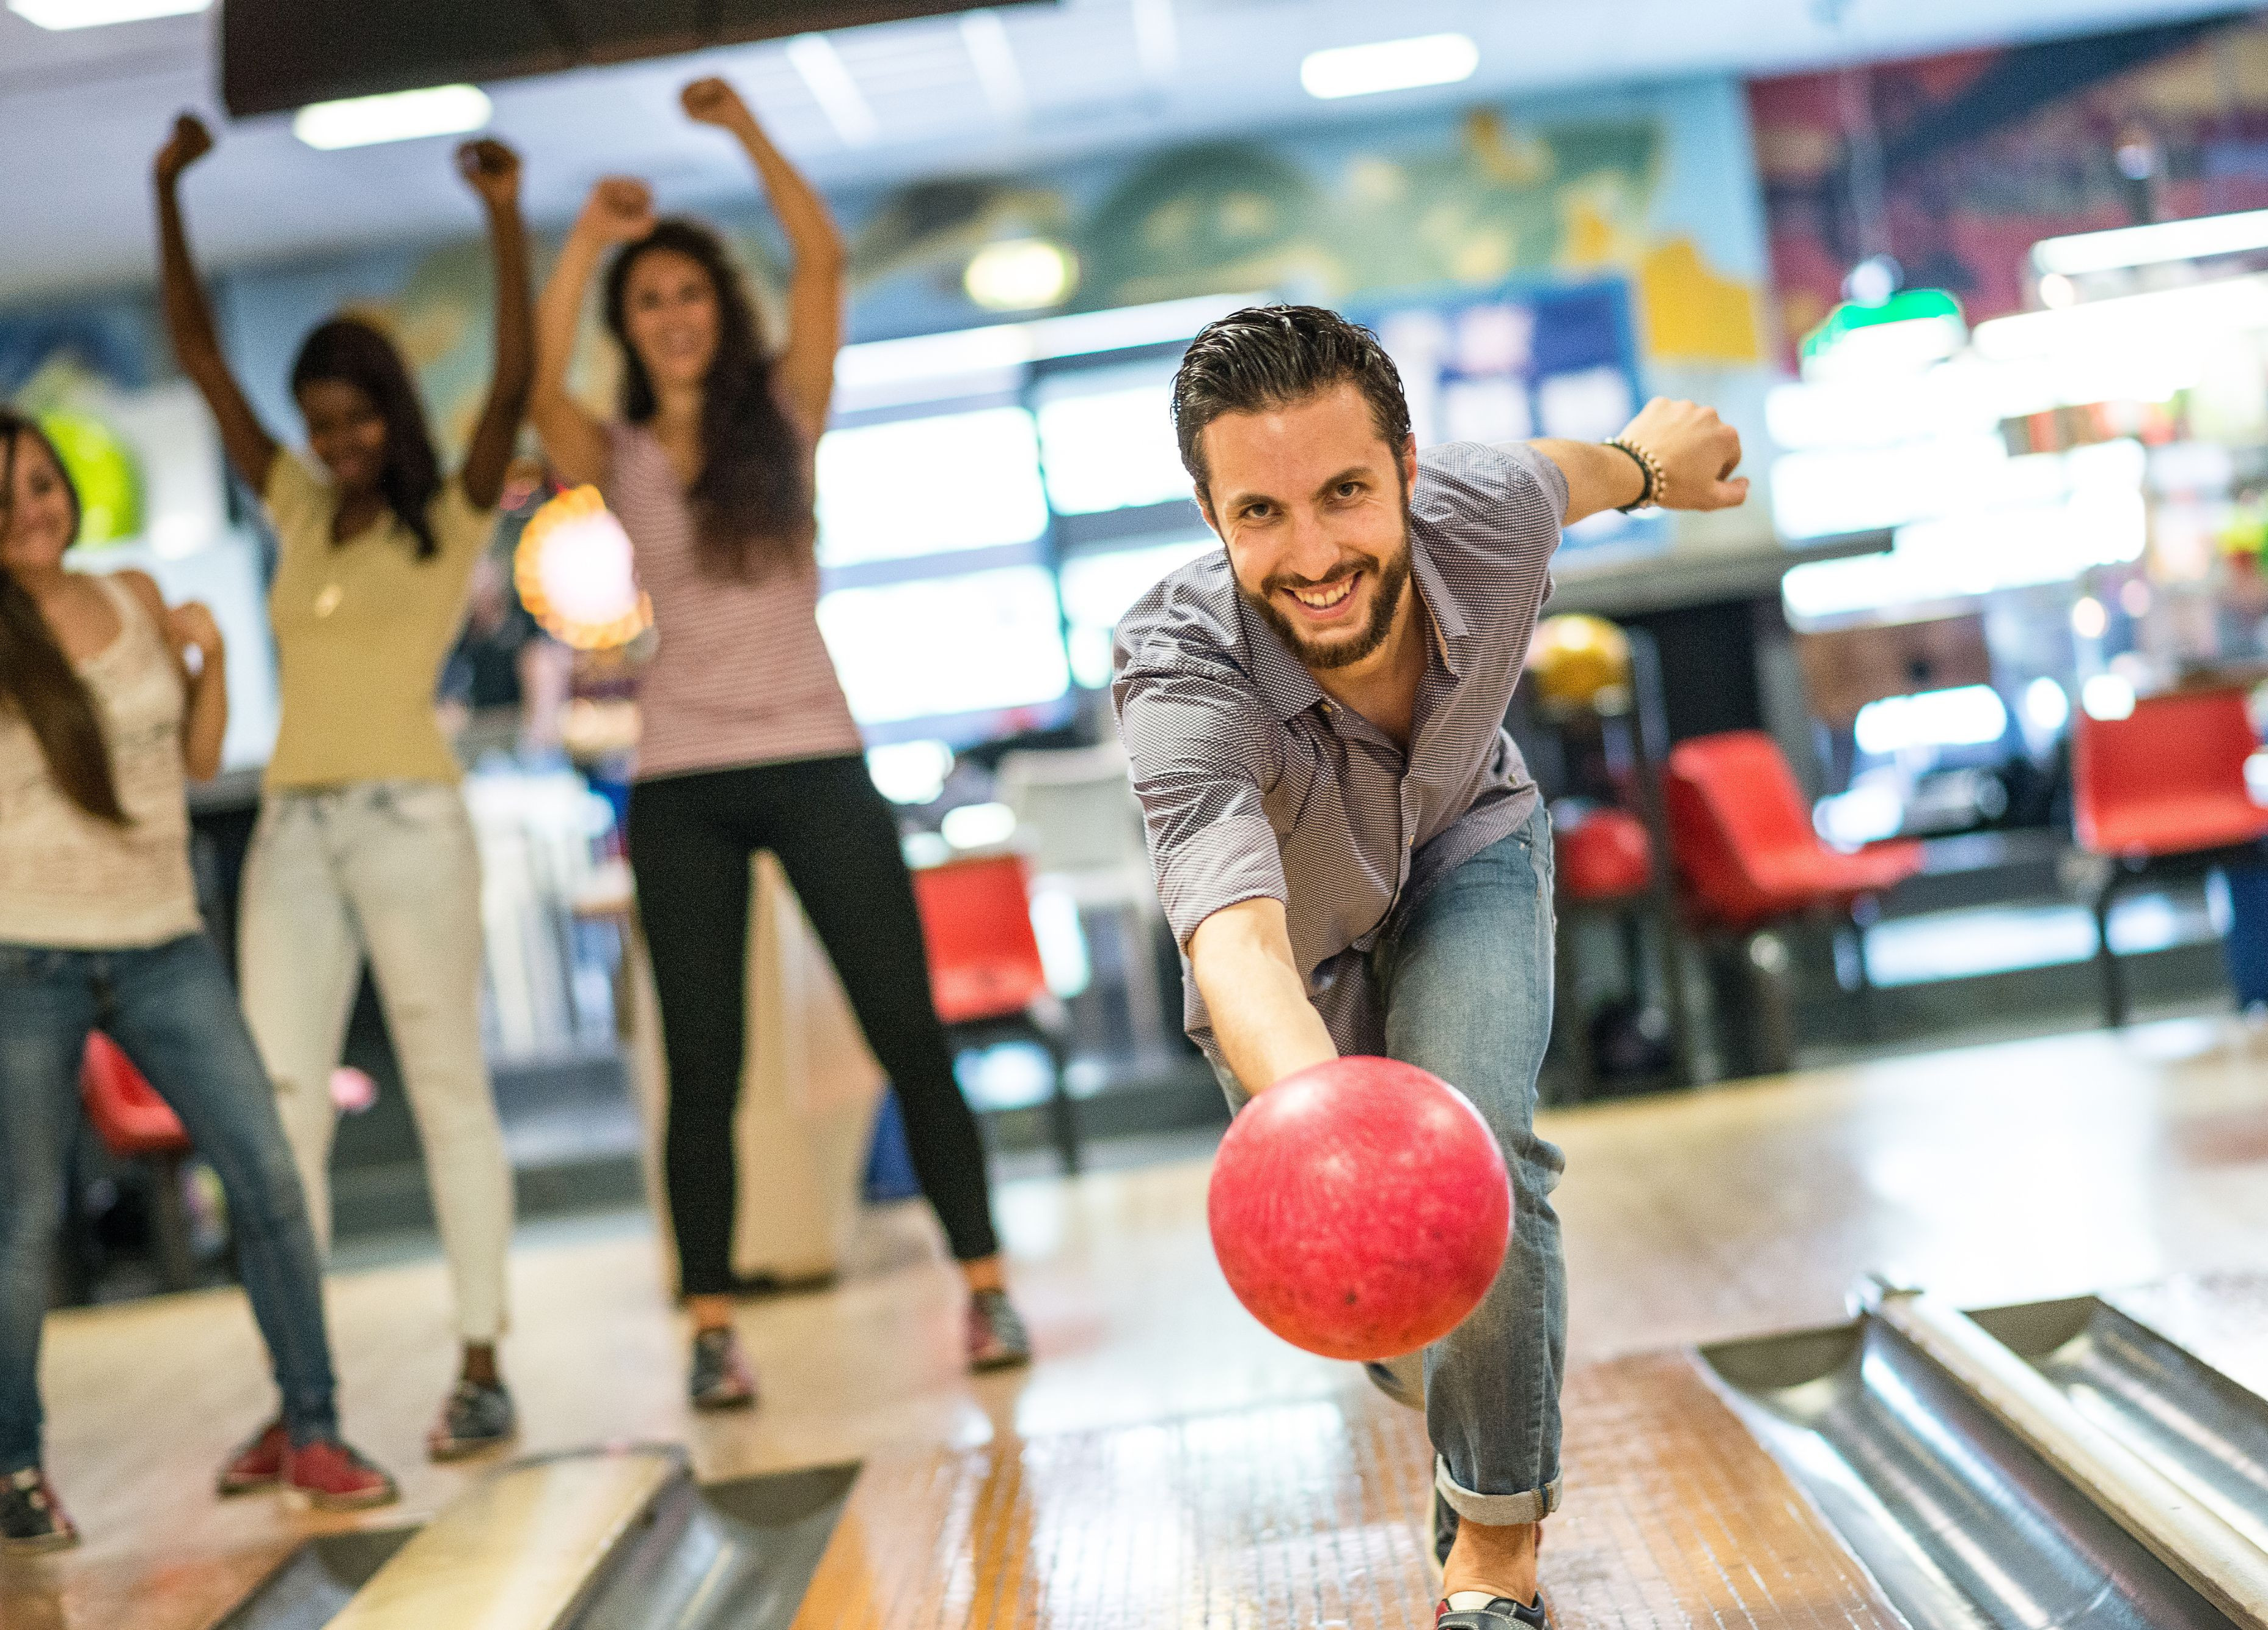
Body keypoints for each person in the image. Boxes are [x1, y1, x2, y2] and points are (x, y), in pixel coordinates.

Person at [1110, 306, 1746, 1630]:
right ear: (1210, 514)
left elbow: (1580, 469)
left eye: (1343, 491)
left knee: (1481, 1152)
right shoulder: (1178, 664)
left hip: (1469, 845)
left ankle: (1492, 1564)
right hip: (1294, 956)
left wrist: (1651, 456)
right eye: (1259, 513)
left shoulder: (1484, 509)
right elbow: (1233, 932)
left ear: (1404, 467)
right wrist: (1335, 1138)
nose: (1313, 552)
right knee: (1405, 1308)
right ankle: (1431, 1358)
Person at [530, 76, 1029, 1408]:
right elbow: (535, 380)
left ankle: (983, 1285)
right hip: (682, 778)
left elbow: (819, 256)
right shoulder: (619, 451)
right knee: (704, 1069)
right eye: (649, 305)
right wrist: (584, 239)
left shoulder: (784, 412)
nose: (673, 318)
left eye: (689, 295)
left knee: (906, 1033)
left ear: (719, 309)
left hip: (815, 758)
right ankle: (710, 1325)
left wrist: (744, 133)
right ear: (630, 329)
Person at [0, 411, 397, 1554]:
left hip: (163, 940)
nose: (29, 510)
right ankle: (16, 1471)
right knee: (24, 1216)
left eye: (40, 484)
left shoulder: (131, 592)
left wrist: (214, 660)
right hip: (22, 948)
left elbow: (189, 759)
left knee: (268, 1175)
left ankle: (310, 1427)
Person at [153, 113, 534, 1462]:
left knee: (445, 1088)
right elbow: (201, 358)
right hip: (294, 828)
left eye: (356, 416)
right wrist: (165, 193)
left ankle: (482, 1361)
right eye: (318, 425)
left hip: (410, 821)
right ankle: (299, 1395)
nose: (336, 442)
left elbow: (509, 389)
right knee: (277, 1108)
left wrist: (503, 214)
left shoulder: (452, 510)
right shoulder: (301, 508)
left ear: (390, 411)